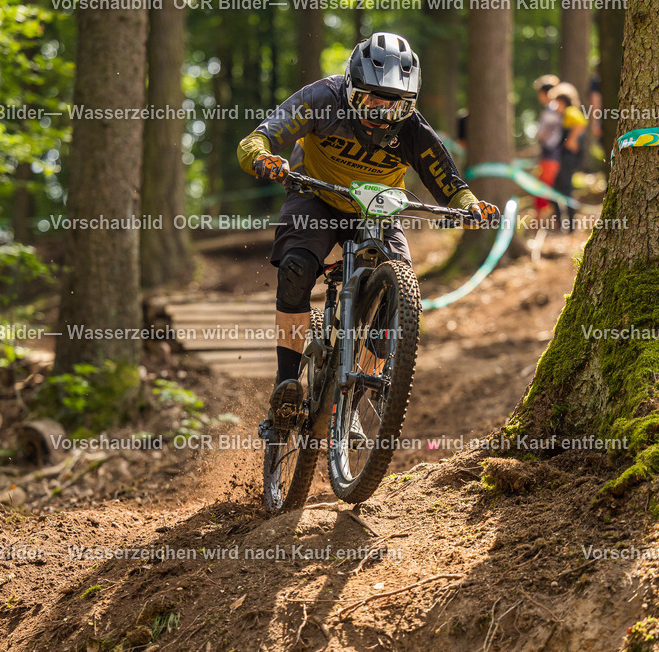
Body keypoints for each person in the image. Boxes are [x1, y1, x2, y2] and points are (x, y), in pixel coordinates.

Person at [236, 32, 499, 440]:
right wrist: (262, 157)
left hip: (376, 209)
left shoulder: (412, 129)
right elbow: (256, 139)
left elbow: (449, 184)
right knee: (296, 268)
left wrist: (471, 206)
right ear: (350, 86)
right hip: (316, 196)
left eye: (395, 104)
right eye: (371, 100)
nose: (381, 113)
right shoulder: (321, 98)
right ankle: (285, 387)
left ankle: (351, 403)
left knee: (397, 293)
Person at [550, 82, 588, 232]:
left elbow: (581, 124)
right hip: (566, 157)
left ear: (562, 101)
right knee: (559, 188)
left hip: (569, 158)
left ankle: (570, 225)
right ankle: (564, 224)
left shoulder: (570, 111)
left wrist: (571, 140)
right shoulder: (565, 115)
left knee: (566, 189)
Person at [533, 74, 563, 226]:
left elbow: (543, 132)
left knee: (543, 187)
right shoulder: (555, 108)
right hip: (551, 153)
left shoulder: (552, 110)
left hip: (551, 153)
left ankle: (541, 221)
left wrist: (538, 135)